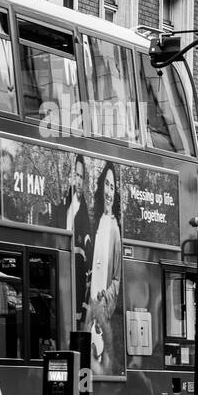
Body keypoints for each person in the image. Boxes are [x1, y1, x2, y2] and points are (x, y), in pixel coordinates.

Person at [84, 162, 123, 375]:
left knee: (101, 360)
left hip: (101, 309)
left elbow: (117, 278)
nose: (109, 191)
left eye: (113, 187)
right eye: (106, 185)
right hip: (89, 307)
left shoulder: (115, 230)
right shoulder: (94, 221)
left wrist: (104, 298)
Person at [62, 153, 92, 327]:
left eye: (82, 177)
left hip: (75, 280)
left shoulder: (84, 216)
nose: (79, 181)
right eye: (77, 176)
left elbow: (88, 252)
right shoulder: (64, 203)